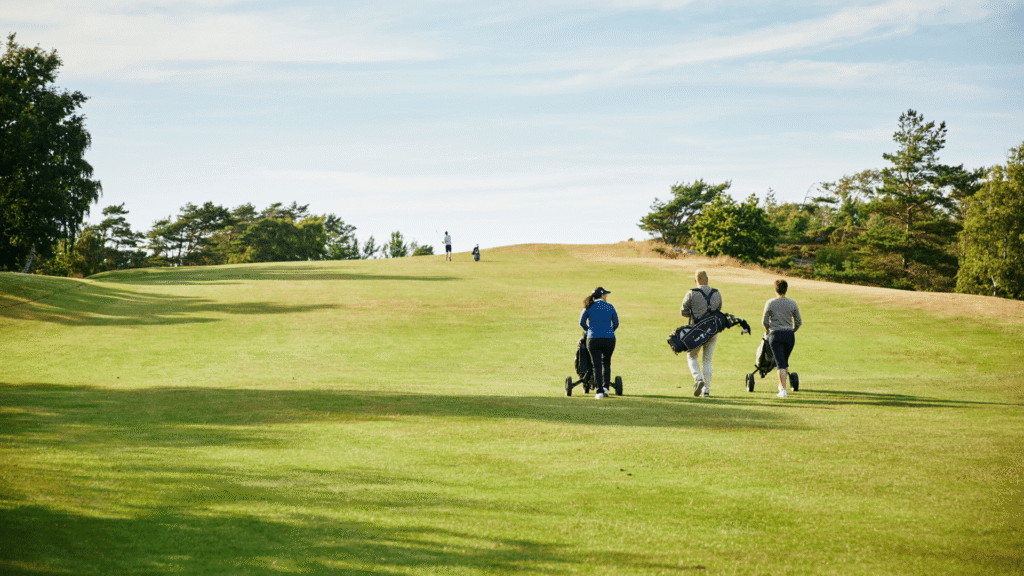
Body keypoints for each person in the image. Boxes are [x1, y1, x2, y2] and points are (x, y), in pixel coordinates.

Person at [680, 270, 722, 397]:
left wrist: (694, 314)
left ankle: (698, 379)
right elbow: (719, 310)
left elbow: (683, 311)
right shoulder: (717, 293)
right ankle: (707, 390)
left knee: (692, 356)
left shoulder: (691, 293)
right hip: (713, 330)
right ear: (707, 279)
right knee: (707, 360)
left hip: (696, 330)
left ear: (695, 280)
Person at [762, 279, 802, 398]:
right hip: (789, 335)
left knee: (780, 363)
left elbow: (764, 321)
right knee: (784, 361)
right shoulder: (792, 303)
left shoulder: (770, 303)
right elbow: (799, 322)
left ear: (775, 289)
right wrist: (792, 330)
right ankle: (781, 385)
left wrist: (768, 330)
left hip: (775, 335)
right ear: (786, 289)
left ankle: (783, 390)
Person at [579, 287, 618, 399]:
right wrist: (609, 331)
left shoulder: (589, 306)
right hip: (609, 339)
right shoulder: (610, 306)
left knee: (596, 365)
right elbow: (616, 323)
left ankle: (599, 392)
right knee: (606, 363)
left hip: (593, 339)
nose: (606, 297)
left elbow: (582, 322)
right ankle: (606, 388)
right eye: (605, 295)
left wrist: (589, 330)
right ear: (602, 296)